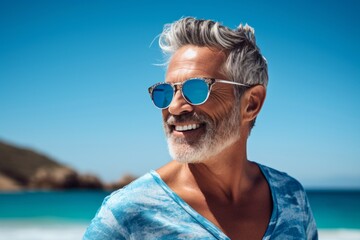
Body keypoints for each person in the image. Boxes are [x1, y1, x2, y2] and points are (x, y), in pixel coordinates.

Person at [83, 17, 318, 240]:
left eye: (196, 89)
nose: (174, 107)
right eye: (165, 92)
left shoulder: (291, 197)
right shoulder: (129, 212)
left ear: (251, 103)